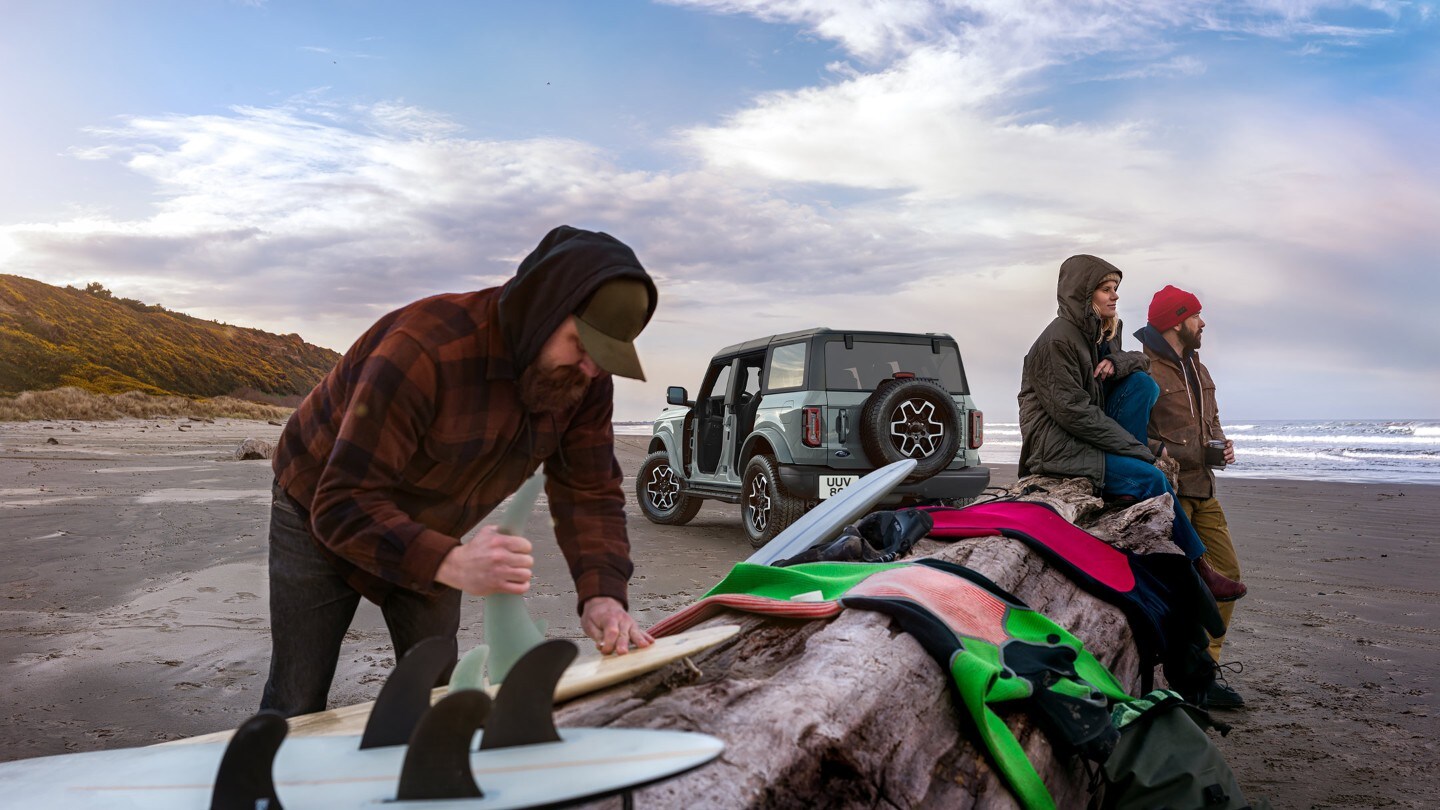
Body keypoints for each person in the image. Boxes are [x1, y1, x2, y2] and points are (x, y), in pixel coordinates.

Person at [260, 225, 658, 717]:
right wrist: (454, 563)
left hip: (430, 526)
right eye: (581, 345)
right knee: (297, 697)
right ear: (541, 310)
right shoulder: (424, 348)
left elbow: (590, 491)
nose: (591, 370)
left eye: (605, 359)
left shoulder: (582, 379)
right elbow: (341, 504)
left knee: (438, 693)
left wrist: (603, 594)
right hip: (318, 506)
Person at [1016, 255, 1245, 602]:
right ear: (1083, 294)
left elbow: (1140, 362)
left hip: (1088, 438)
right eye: (1106, 290)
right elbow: (1074, 415)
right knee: (1153, 477)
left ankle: (1129, 480)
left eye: (1115, 289)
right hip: (1059, 446)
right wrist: (1143, 451)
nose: (1115, 296)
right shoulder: (1056, 342)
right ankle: (1200, 568)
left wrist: (1115, 359)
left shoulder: (1102, 332)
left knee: (1142, 384)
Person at [1135, 285, 1247, 708]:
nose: (1203, 323)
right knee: (1179, 588)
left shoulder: (1198, 368)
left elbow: (1211, 423)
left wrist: (1222, 444)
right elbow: (1129, 432)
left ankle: (1205, 672)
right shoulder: (1143, 369)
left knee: (1227, 575)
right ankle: (1179, 674)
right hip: (1169, 494)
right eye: (1197, 316)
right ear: (1176, 321)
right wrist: (1162, 451)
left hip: (1204, 489)